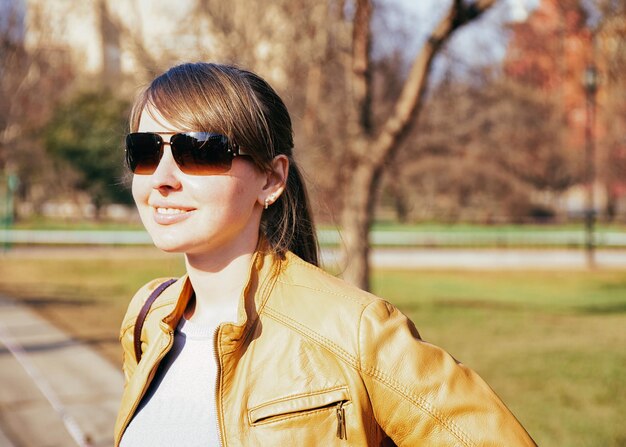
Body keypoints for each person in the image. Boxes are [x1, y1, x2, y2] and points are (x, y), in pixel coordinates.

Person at [115, 62, 536, 447]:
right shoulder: (150, 317)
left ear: (272, 179)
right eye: (147, 151)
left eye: (199, 151)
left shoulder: (355, 331)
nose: (163, 179)